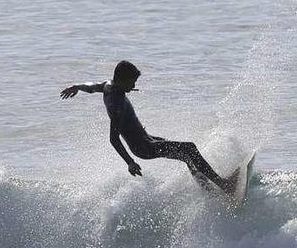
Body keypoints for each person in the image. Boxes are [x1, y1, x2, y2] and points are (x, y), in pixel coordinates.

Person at [60, 60, 231, 192]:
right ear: (121, 80)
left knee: (186, 156)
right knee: (190, 149)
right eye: (132, 82)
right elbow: (113, 138)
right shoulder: (116, 103)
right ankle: (224, 185)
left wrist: (77, 86)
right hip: (144, 147)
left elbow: (91, 87)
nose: (134, 86)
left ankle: (208, 190)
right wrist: (130, 162)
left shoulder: (108, 85)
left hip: (147, 140)